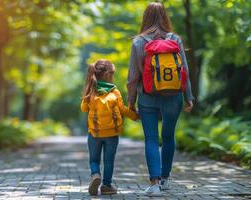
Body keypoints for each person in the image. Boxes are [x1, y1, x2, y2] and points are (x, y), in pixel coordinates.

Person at [127, 2, 194, 195]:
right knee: (168, 136)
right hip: (173, 96)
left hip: (147, 96)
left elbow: (133, 77)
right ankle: (165, 179)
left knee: (151, 138)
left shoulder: (138, 42)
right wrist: (188, 96)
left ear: (145, 17)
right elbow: (185, 71)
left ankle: (154, 183)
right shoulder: (175, 39)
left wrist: (130, 101)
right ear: (165, 16)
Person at [81, 59, 139, 195]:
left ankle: (95, 175)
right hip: (112, 134)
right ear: (108, 75)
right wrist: (136, 116)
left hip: (94, 134)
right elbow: (123, 110)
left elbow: (83, 109)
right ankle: (106, 186)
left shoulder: (91, 91)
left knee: (94, 159)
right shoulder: (115, 92)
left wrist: (87, 94)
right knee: (109, 161)